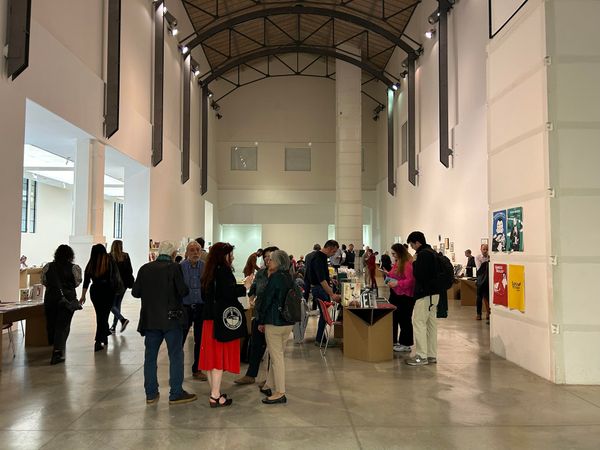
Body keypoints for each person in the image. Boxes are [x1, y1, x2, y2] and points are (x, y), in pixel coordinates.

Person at [132, 241, 197, 405]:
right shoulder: (175, 268)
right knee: (175, 355)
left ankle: (151, 394)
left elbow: (135, 292)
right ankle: (176, 393)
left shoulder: (145, 268)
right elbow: (183, 291)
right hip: (172, 320)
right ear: (173, 254)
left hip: (150, 320)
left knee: (150, 357)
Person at [199, 242, 252, 407]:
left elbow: (206, 295)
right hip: (220, 321)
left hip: (209, 318)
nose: (233, 257)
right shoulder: (224, 270)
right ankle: (215, 395)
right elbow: (228, 293)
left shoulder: (208, 271)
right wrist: (245, 287)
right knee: (218, 359)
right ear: (224, 256)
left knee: (210, 359)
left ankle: (214, 392)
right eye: (231, 254)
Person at [234, 246, 278, 386]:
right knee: (255, 345)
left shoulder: (281, 275)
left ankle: (271, 378)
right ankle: (250, 375)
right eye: (265, 257)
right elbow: (253, 290)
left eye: (270, 257)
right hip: (259, 314)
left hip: (274, 317)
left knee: (273, 349)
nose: (267, 259)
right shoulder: (261, 273)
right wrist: (251, 299)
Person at [256, 250, 295, 404]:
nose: (268, 261)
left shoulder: (275, 278)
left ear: (278, 262)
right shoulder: (289, 277)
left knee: (276, 358)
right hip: (287, 322)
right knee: (277, 355)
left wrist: (260, 320)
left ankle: (280, 392)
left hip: (274, 322)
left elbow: (266, 300)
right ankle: (269, 385)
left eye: (271, 259)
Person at [41, 245, 82, 365]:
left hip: (51, 298)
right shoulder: (74, 268)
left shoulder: (48, 266)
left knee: (52, 323)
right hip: (67, 300)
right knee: (63, 325)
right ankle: (58, 351)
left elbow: (44, 281)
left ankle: (55, 346)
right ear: (71, 255)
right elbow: (77, 282)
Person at [80, 244, 122, 352]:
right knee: (104, 315)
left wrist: (83, 295)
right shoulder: (109, 261)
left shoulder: (91, 263)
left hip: (95, 291)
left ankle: (104, 336)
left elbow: (86, 281)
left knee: (100, 315)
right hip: (108, 290)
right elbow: (115, 275)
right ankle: (98, 341)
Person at [405, 232, 439, 366]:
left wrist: (414, 262)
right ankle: (431, 355)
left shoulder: (423, 254)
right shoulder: (432, 252)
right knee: (431, 325)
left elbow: (420, 275)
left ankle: (421, 356)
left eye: (412, 244)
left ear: (417, 242)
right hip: (434, 294)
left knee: (419, 323)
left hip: (424, 294)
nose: (412, 247)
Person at [180, 241, 207, 381]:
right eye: (192, 250)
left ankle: (197, 369)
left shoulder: (205, 266)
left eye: (198, 250)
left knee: (200, 340)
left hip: (201, 307)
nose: (195, 252)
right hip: (185, 308)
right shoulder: (180, 267)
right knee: (180, 339)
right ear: (186, 252)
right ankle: (177, 370)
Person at [306, 240, 341, 345]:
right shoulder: (318, 258)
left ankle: (321, 338)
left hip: (318, 288)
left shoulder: (320, 256)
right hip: (319, 289)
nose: (334, 254)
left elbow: (321, 275)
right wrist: (332, 294)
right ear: (329, 248)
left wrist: (330, 279)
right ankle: (320, 340)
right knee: (325, 315)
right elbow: (321, 280)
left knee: (323, 315)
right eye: (334, 251)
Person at [384, 243, 415, 353]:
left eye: (394, 254)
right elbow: (394, 274)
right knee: (394, 317)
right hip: (396, 294)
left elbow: (410, 281)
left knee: (405, 319)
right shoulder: (398, 262)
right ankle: (395, 341)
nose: (393, 256)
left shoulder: (407, 264)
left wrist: (398, 283)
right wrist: (388, 275)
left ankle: (406, 344)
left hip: (405, 296)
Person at [109, 240, 134, 334]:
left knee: (111, 304)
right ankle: (114, 326)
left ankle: (122, 320)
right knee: (117, 304)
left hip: (113, 284)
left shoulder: (109, 256)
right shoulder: (125, 256)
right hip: (124, 284)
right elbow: (130, 270)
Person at [303, 243, 321, 309]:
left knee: (306, 293)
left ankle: (304, 308)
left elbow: (305, 266)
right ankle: (314, 308)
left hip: (307, 276)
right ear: (319, 249)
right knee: (315, 294)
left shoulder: (307, 255)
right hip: (315, 277)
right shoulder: (319, 256)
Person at [475, 244, 491, 321]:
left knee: (488, 297)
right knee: (479, 297)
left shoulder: (490, 257)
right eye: (484, 249)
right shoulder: (478, 257)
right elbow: (479, 268)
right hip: (481, 279)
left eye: (487, 249)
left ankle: (488, 313)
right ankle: (479, 314)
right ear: (481, 249)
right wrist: (487, 263)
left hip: (488, 280)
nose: (485, 251)